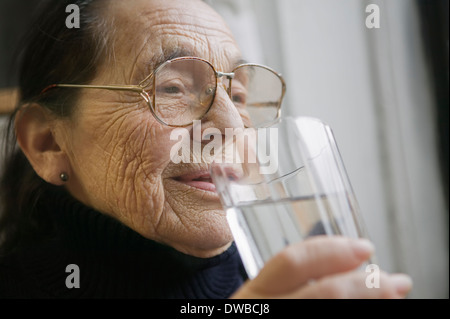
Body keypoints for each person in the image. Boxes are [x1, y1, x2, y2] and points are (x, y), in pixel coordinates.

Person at [0, 0, 412, 299]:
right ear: (48, 143)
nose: (232, 127)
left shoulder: (297, 275)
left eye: (237, 94)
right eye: (173, 88)